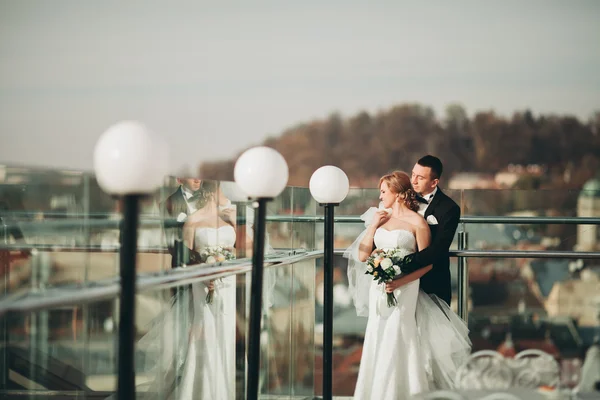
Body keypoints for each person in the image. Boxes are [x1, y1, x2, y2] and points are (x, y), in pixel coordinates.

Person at [344, 171, 471, 399]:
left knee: (399, 335)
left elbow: (427, 264)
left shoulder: (418, 223)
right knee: (377, 333)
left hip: (405, 288)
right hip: (379, 288)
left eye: (384, 191)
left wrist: (400, 281)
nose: (380, 196)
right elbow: (363, 256)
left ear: (398, 194)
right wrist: (373, 226)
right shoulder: (380, 217)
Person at [139, 180, 237, 399]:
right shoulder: (177, 208)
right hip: (196, 281)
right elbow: (177, 250)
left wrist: (234, 224)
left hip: (227, 286)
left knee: (224, 336)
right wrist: (201, 271)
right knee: (199, 336)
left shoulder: (229, 216)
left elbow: (241, 249)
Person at [394, 155, 460, 305]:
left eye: (420, 178)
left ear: (434, 182)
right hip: (401, 281)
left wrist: (405, 264)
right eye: (413, 174)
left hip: (433, 280)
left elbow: (439, 248)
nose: (414, 181)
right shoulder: (402, 198)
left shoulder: (449, 208)